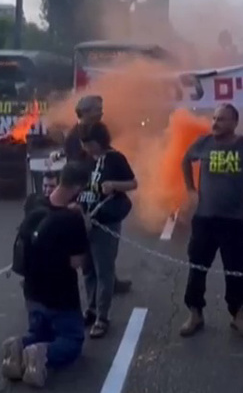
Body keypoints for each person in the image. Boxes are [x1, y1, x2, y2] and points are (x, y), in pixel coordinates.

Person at [178, 103, 243, 339]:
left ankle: (238, 316)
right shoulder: (204, 143)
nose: (215, 123)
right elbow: (185, 160)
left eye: (222, 119)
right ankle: (195, 313)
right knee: (197, 267)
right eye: (214, 118)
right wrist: (190, 189)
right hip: (205, 219)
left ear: (234, 122)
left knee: (236, 270)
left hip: (234, 221)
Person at [1, 162, 91, 388]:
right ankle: (43, 353)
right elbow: (77, 261)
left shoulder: (34, 203)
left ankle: (20, 345)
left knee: (39, 330)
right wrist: (84, 223)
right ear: (78, 188)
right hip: (60, 296)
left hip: (32, 292)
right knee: (72, 341)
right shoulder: (72, 219)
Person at [51, 94, 132, 295]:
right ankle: (100, 289)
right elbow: (76, 170)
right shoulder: (76, 137)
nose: (101, 112)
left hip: (102, 197)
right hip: (88, 198)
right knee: (93, 248)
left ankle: (108, 278)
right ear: (85, 112)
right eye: (97, 108)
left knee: (106, 246)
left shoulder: (95, 131)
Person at [77, 122, 137, 338]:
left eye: (90, 144)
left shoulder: (115, 159)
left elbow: (133, 183)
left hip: (105, 222)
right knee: (87, 269)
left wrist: (113, 185)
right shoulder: (83, 159)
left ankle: (103, 316)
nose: (87, 148)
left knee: (104, 270)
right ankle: (91, 308)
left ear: (100, 141)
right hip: (84, 220)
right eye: (84, 144)